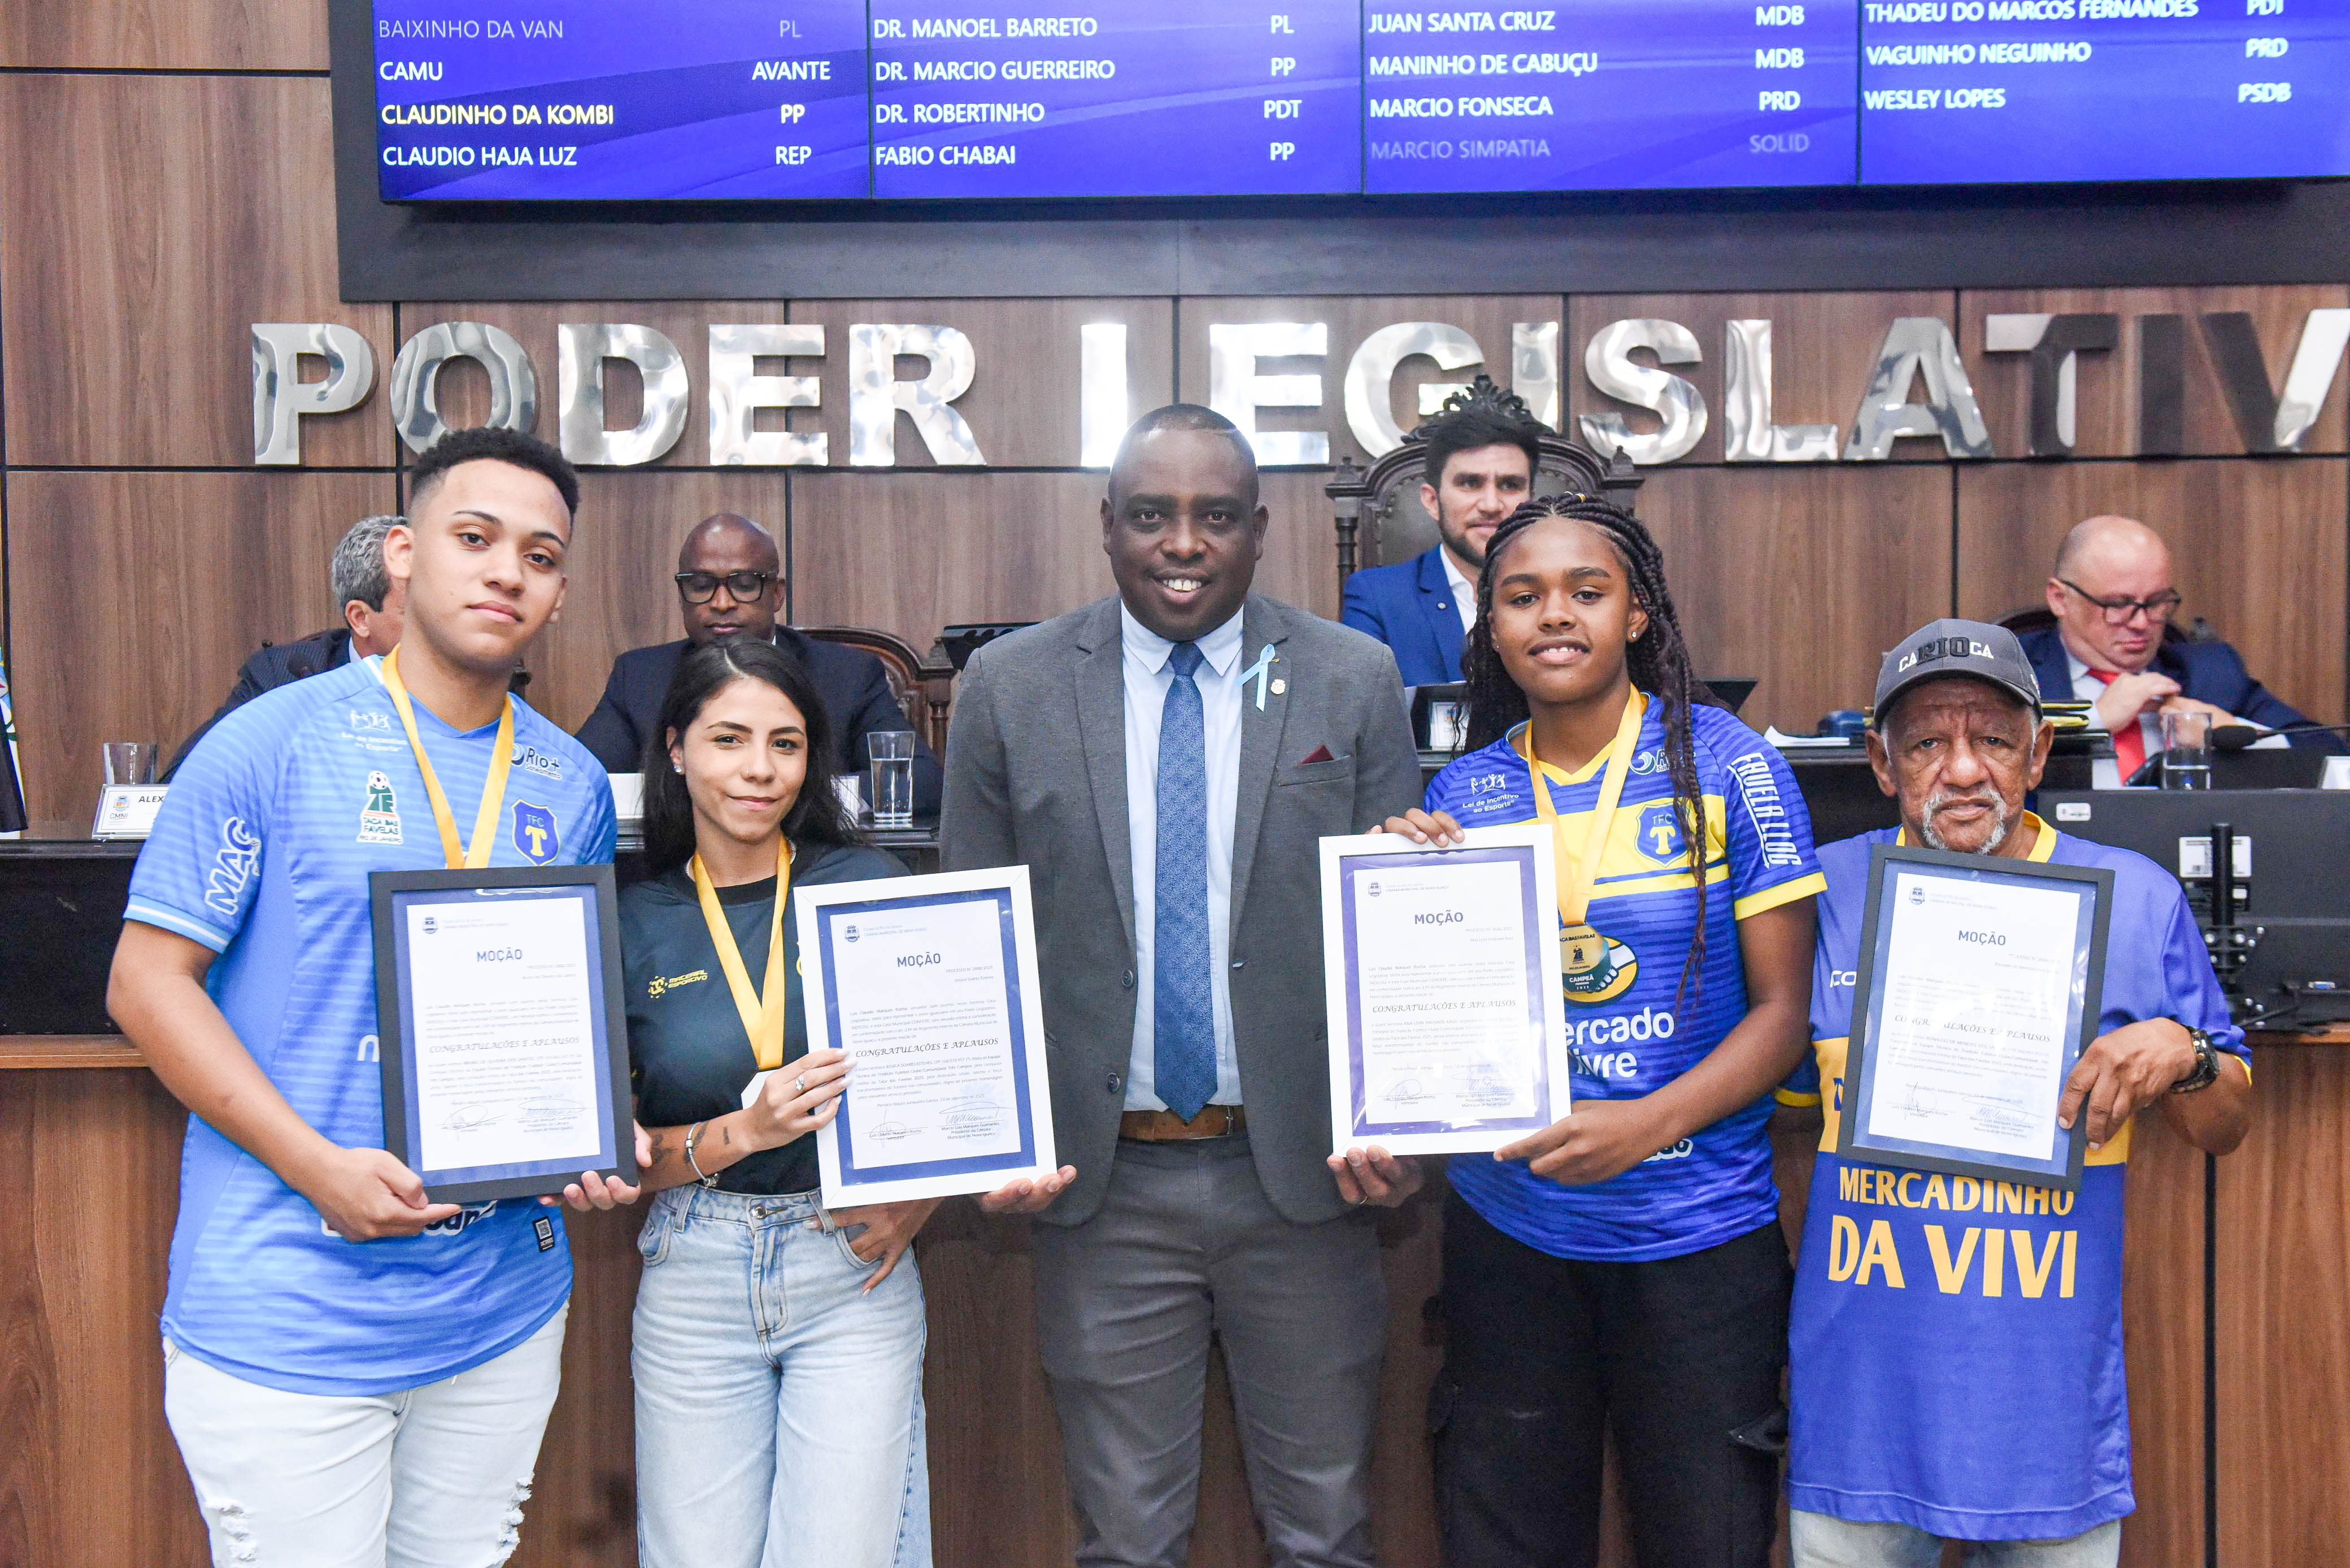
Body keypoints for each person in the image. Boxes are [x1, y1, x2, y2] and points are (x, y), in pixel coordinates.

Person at [105, 427, 629, 1566]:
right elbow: (146, 983)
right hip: (292, 1310)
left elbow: (559, 1002)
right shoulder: (266, 744)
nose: (506, 572)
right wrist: (318, 1168)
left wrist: (587, 1126)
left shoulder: (570, 780)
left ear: (560, 590)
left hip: (496, 1308)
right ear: (402, 553)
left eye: (540, 557)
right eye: (475, 538)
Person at [940, 404, 1424, 1568]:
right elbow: (965, 933)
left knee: (1324, 1531)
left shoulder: (1350, 676)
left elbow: (1395, 942)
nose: (1183, 543)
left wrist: (1407, 1123)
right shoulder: (1008, 687)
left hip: (1304, 1180)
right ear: (1106, 528)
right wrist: (978, 1134)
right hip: (1109, 1190)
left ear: (1259, 531)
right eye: (1151, 515)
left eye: (1214, 517)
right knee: (1125, 1540)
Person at [1378, 493, 1826, 1568]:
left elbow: (1783, 1017)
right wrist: (1402, 892)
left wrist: (1644, 1123)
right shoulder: (1464, 794)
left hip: (1698, 1239)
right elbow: (1438, 1022)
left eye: (1588, 591)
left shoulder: (1731, 766)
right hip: (1513, 1239)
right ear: (1490, 628)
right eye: (1522, 597)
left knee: (1706, 1543)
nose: (1555, 617)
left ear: (1638, 613)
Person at [1776, 618, 2252, 1567]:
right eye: (1925, 743)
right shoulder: (1816, 895)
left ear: (2038, 754)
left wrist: (2186, 1051)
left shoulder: (2136, 896)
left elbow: (2225, 1121)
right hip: (1861, 1409)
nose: (1961, 771)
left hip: (2044, 1416)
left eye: (1993, 739)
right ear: (1879, 761)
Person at [615, 635, 1070, 1568]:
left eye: (786, 744)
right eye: (730, 738)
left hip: (848, 1267)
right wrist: (745, 1130)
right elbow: (619, 1158)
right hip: (694, 1266)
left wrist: (926, 1196)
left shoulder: (869, 890)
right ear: (675, 748)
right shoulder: (633, 918)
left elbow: (951, 1083)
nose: (759, 768)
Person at [576, 512, 945, 811]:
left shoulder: (846, 675)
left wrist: (781, 795)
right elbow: (574, 783)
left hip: (806, 868)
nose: (722, 603)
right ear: (682, 595)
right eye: (702, 584)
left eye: (745, 583)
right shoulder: (640, 677)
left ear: (776, 594)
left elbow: (921, 781)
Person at [2020, 513, 2338, 774]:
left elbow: (2331, 757)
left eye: (2157, 602)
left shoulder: (2210, 673)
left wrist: (2236, 734)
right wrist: (2094, 721)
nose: (2142, 623)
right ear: (2060, 599)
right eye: (2117, 604)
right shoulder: (2012, 669)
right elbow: (1985, 766)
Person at [164, 513, 407, 778]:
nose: (436, 624)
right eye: (416, 612)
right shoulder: (284, 677)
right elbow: (189, 776)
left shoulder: (457, 678)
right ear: (360, 619)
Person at [1339, 380, 1544, 686]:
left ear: (1530, 500)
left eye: (1510, 485)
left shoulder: (1567, 598)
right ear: (1432, 501)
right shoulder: (1377, 598)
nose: (1491, 505)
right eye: (1470, 483)